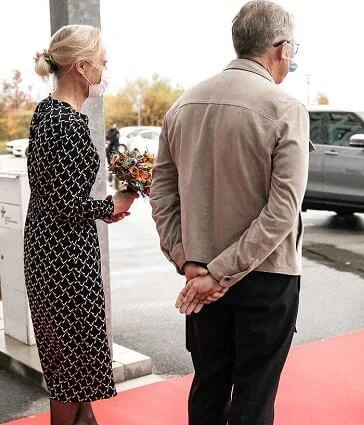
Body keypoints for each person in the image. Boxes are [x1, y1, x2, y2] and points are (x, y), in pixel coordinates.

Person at [150, 1, 312, 424]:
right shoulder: (285, 108)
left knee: (209, 383)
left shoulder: (184, 104)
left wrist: (189, 262)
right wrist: (217, 273)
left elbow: (161, 195)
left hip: (199, 273)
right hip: (266, 276)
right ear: (282, 48)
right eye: (293, 46)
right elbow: (283, 210)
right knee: (254, 395)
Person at [26, 25, 136, 425]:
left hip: (49, 250)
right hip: (65, 259)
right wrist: (115, 203)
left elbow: (51, 193)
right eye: (102, 63)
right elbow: (64, 201)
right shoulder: (65, 122)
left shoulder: (47, 111)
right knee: (71, 366)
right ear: (81, 66)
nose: (105, 71)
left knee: (67, 362)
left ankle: (84, 420)